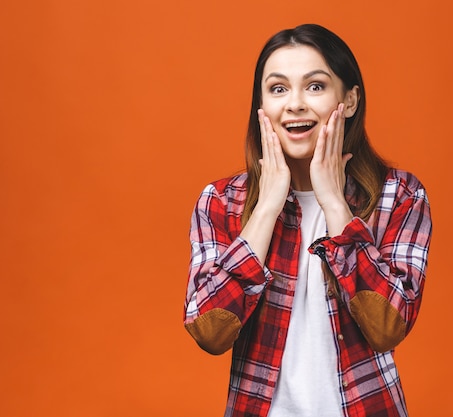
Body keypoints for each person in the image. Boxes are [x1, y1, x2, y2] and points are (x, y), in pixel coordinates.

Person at [183, 23, 432, 417]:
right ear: (261, 106)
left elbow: (388, 326)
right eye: (278, 89)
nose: (295, 104)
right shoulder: (221, 202)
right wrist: (266, 206)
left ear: (349, 100)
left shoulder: (397, 196)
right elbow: (210, 331)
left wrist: (334, 202)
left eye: (315, 86)